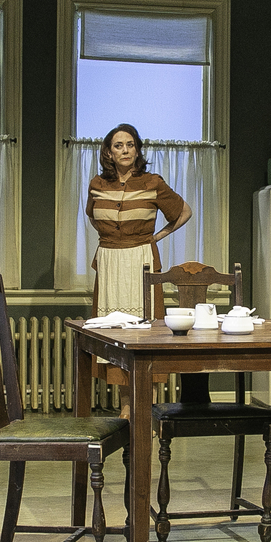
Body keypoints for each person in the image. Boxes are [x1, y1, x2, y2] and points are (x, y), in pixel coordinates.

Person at [86, 124, 193, 413]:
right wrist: (113, 239)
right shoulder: (97, 184)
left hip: (141, 259)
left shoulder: (152, 182)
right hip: (110, 260)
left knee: (146, 331)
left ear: (137, 150)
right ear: (108, 151)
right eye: (118, 145)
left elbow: (184, 211)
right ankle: (125, 407)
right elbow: (94, 216)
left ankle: (150, 406)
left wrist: (156, 236)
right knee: (115, 332)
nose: (125, 150)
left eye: (130, 145)